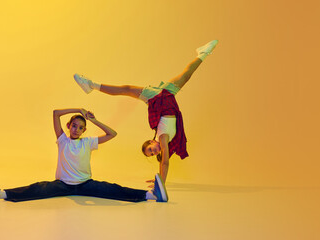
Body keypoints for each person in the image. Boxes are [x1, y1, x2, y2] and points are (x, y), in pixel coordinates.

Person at [71, 40, 218, 184]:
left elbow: (165, 163)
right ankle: (204, 53)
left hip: (158, 100)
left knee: (126, 89)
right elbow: (164, 161)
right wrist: (159, 179)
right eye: (153, 153)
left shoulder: (162, 137)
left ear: (152, 141)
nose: (155, 151)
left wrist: (161, 184)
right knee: (186, 76)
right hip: (166, 98)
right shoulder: (165, 140)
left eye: (151, 149)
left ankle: (92, 85)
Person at [0, 108, 168, 203]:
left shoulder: (88, 142)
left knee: (112, 190)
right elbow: (55, 113)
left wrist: (94, 120)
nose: (76, 129)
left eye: (80, 127)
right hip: (62, 185)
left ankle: (152, 196)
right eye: (73, 125)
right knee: (37, 189)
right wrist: (78, 109)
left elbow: (112, 134)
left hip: (86, 184)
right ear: (68, 126)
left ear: (84, 130)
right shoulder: (62, 140)